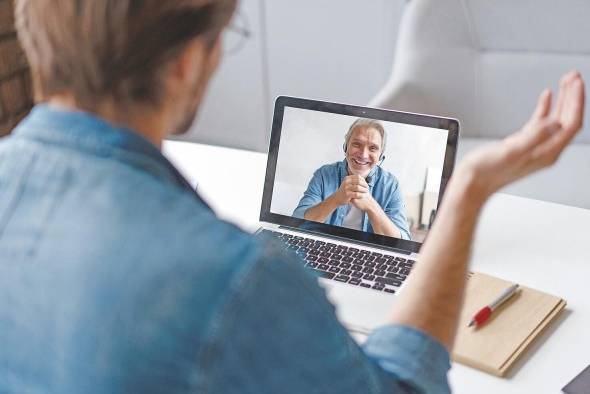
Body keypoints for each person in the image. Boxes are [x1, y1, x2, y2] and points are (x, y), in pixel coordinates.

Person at [0, 0, 584, 393]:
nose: (363, 159)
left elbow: (401, 237)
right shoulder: (240, 275)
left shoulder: (381, 190)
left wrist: (376, 207)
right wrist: (470, 194)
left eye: (373, 153)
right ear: (183, 65)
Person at [293, 118, 412, 239]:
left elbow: (402, 241)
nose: (363, 155)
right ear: (346, 146)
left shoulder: (391, 186)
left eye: (373, 148)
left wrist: (371, 206)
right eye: (357, 144)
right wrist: (336, 199)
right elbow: (297, 223)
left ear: (380, 155)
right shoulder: (324, 174)